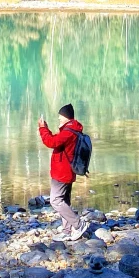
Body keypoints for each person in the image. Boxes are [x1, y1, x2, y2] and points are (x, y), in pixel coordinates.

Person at [38, 102, 87, 241]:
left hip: (62, 172)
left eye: (60, 117)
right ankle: (67, 230)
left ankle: (78, 224)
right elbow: (57, 141)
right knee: (64, 200)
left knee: (55, 200)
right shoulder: (73, 130)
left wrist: (42, 128)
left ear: (66, 117)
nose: (59, 119)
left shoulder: (68, 132)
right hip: (68, 171)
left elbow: (51, 142)